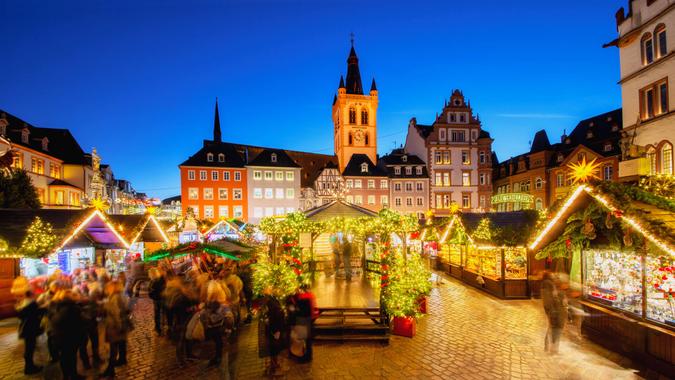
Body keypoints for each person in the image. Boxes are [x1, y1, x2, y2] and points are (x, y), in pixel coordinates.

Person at [11, 277, 45, 375]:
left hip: (26, 326)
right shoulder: (27, 300)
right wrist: (43, 308)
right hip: (29, 327)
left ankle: (30, 366)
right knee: (30, 348)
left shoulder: (20, 298)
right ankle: (29, 368)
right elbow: (32, 312)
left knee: (30, 347)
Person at [50, 289, 85, 380]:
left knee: (64, 356)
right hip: (70, 337)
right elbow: (79, 323)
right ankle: (73, 375)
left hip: (59, 336)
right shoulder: (73, 308)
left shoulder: (58, 306)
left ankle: (66, 376)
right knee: (71, 356)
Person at [101, 280, 132, 378]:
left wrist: (119, 326)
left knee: (113, 349)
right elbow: (128, 309)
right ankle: (122, 359)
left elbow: (115, 314)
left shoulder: (114, 298)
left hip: (115, 326)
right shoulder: (122, 295)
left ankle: (110, 370)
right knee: (122, 343)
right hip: (122, 324)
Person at [201, 281, 234, 368]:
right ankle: (220, 361)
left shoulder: (207, 304)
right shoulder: (223, 305)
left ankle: (217, 358)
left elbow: (203, 317)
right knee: (222, 347)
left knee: (217, 344)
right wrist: (229, 329)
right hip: (221, 329)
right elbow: (229, 319)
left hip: (212, 330)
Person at [541, 271, 567, 354]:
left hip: (554, 312)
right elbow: (549, 300)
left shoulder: (552, 287)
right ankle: (552, 347)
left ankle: (550, 346)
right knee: (555, 328)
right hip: (555, 312)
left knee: (553, 328)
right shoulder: (550, 286)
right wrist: (551, 311)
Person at [79, 282, 103, 369]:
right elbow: (98, 311)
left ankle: (87, 363)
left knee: (84, 345)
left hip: (84, 326)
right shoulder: (90, 299)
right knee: (92, 342)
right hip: (89, 324)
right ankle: (94, 359)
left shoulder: (78, 300)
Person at [148, 267, 166, 335]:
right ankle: (163, 327)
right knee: (163, 313)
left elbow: (150, 293)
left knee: (157, 314)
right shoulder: (161, 280)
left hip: (157, 300)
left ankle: (158, 329)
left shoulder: (152, 282)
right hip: (162, 299)